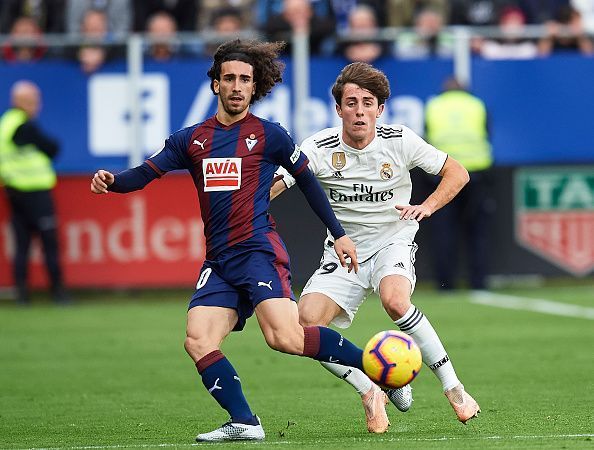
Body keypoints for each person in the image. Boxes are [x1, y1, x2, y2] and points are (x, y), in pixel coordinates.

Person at [90, 39, 374, 443]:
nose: (237, 86)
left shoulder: (270, 135)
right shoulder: (190, 139)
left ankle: (377, 367)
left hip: (258, 250)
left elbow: (308, 183)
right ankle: (245, 421)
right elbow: (146, 173)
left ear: (254, 86)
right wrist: (112, 182)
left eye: (245, 79)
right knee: (197, 338)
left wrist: (340, 234)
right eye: (230, 78)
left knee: (285, 338)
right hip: (219, 260)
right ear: (216, 85)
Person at [271, 62, 480, 431]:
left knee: (395, 301)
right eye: (351, 103)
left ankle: (454, 388)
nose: (359, 111)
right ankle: (370, 389)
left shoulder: (399, 139)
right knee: (305, 326)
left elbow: (457, 172)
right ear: (339, 110)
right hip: (344, 250)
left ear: (379, 109)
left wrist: (426, 207)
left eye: (368, 102)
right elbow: (277, 184)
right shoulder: (318, 147)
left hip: (393, 240)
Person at [0, 80, 68, 304]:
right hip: (35, 192)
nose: (38, 105)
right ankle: (58, 293)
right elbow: (52, 147)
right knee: (49, 243)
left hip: (13, 191)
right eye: (34, 100)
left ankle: (22, 295)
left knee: (22, 245)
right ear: (21, 102)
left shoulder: (5, 123)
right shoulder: (24, 126)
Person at [425, 76, 494, 291]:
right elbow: (487, 133)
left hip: (444, 174)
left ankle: (445, 284)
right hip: (476, 172)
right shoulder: (476, 105)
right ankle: (479, 282)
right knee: (477, 231)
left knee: (444, 230)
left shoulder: (434, 106)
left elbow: (426, 138)